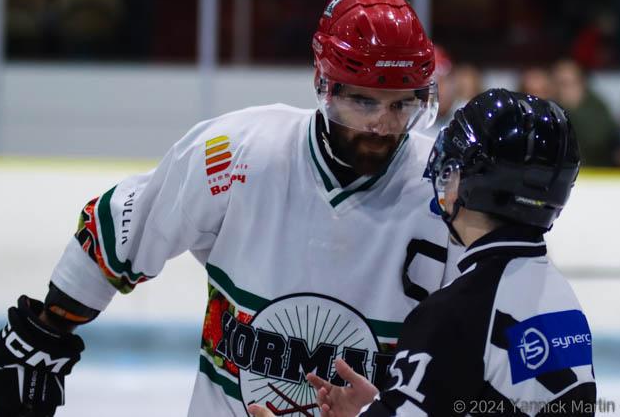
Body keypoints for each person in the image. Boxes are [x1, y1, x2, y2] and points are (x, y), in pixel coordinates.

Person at [0, 0, 461, 417]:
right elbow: (126, 228)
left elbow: (472, 362)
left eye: (401, 105)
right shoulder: (239, 153)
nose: (382, 126)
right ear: (324, 86)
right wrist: (45, 331)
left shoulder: (448, 190)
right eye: (364, 103)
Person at [249, 89, 597, 417]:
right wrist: (382, 406)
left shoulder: (455, 313)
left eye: (454, 167)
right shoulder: (560, 299)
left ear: (471, 184)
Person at [551, 58, 620, 167]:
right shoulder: (551, 108)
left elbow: (596, 140)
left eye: (567, 83)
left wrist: (573, 110)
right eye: (559, 84)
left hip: (595, 170)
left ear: (581, 83)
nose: (563, 89)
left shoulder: (596, 107)